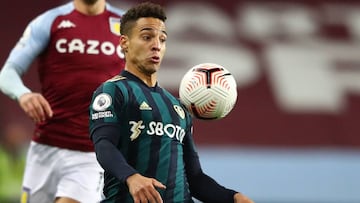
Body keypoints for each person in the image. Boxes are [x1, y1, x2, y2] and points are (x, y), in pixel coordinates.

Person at [89, 2, 255, 203]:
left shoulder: (177, 107)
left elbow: (195, 178)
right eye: (147, 37)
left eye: (162, 39)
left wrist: (233, 197)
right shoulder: (113, 91)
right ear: (125, 43)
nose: (156, 45)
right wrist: (131, 178)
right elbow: (104, 146)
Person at [0, 0, 126, 202]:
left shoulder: (127, 25)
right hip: (45, 147)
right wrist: (23, 94)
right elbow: (8, 73)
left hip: (91, 153)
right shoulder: (50, 21)